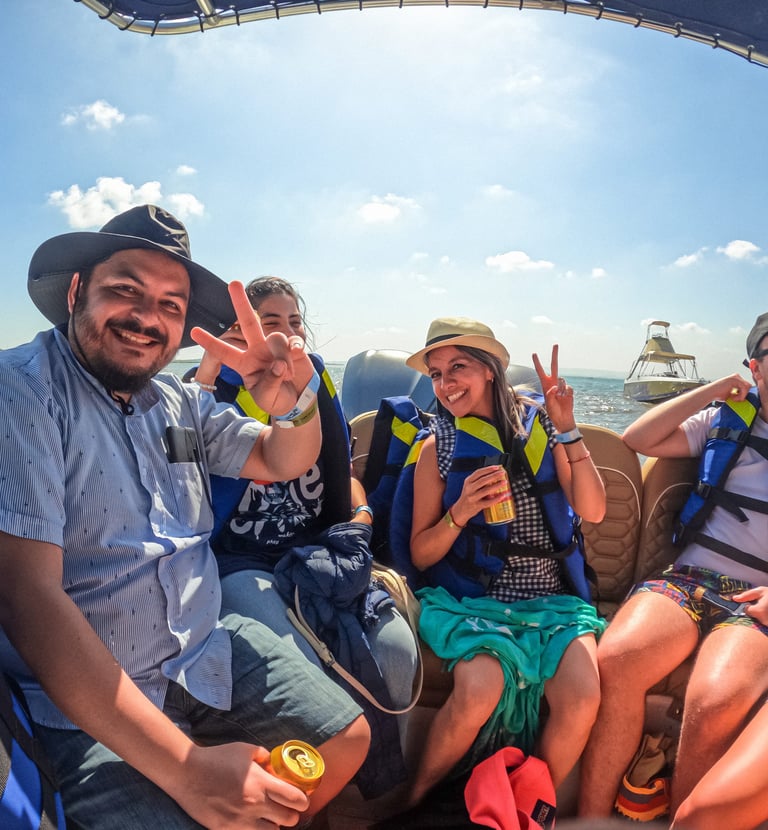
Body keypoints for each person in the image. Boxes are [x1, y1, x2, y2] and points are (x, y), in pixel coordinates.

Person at [0, 204, 370, 830]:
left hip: (203, 649)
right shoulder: (25, 392)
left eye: (172, 305)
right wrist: (190, 771)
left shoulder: (176, 403)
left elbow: (280, 458)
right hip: (85, 694)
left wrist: (292, 406)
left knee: (347, 739)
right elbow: (28, 599)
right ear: (75, 291)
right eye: (125, 290)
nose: (149, 318)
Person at [189, 276, 419, 798]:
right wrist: (204, 381)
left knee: (399, 652)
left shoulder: (312, 383)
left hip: (319, 550)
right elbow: (175, 491)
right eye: (269, 323)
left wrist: (359, 517)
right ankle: (305, 800)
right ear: (236, 332)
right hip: (239, 562)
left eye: (295, 324)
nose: (286, 337)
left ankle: (374, 792)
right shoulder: (201, 394)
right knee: (306, 666)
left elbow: (342, 473)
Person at [401, 317, 607, 805]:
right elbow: (420, 551)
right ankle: (415, 803)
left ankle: (525, 808)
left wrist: (568, 427)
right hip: (475, 602)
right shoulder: (438, 447)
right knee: (478, 691)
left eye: (458, 367)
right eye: (435, 374)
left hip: (552, 603)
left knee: (582, 698)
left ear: (490, 370)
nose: (446, 384)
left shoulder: (541, 429)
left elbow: (594, 510)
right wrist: (461, 512)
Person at [579, 312, 768, 823]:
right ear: (755, 366)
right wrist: (714, 390)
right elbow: (639, 438)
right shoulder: (725, 419)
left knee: (714, 702)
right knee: (615, 661)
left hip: (755, 597)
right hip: (689, 580)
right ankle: (593, 820)